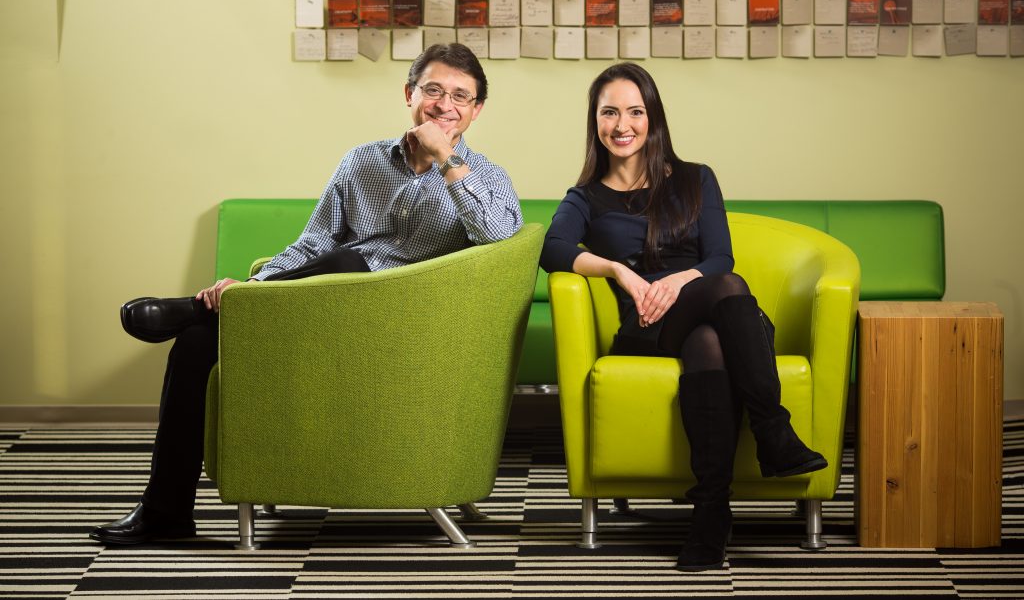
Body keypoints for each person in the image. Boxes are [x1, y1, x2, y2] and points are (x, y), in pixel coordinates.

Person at [91, 43, 523, 546]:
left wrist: (447, 158)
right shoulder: (361, 163)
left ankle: (203, 309)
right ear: (409, 94)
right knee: (194, 346)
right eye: (433, 90)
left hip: (399, 334)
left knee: (348, 262)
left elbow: (496, 234)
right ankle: (164, 513)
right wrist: (257, 285)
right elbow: (313, 243)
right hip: (320, 317)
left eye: (460, 97)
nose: (444, 105)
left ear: (476, 111)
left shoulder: (486, 178)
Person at [539, 63, 826, 572]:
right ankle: (772, 433)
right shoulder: (585, 196)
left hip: (714, 317)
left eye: (634, 111)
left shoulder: (696, 178)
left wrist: (679, 280)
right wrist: (620, 273)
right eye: (609, 112)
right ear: (596, 121)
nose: (622, 124)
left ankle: (711, 514)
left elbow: (719, 258)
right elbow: (552, 248)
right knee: (726, 294)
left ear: (653, 119)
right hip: (647, 327)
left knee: (710, 338)